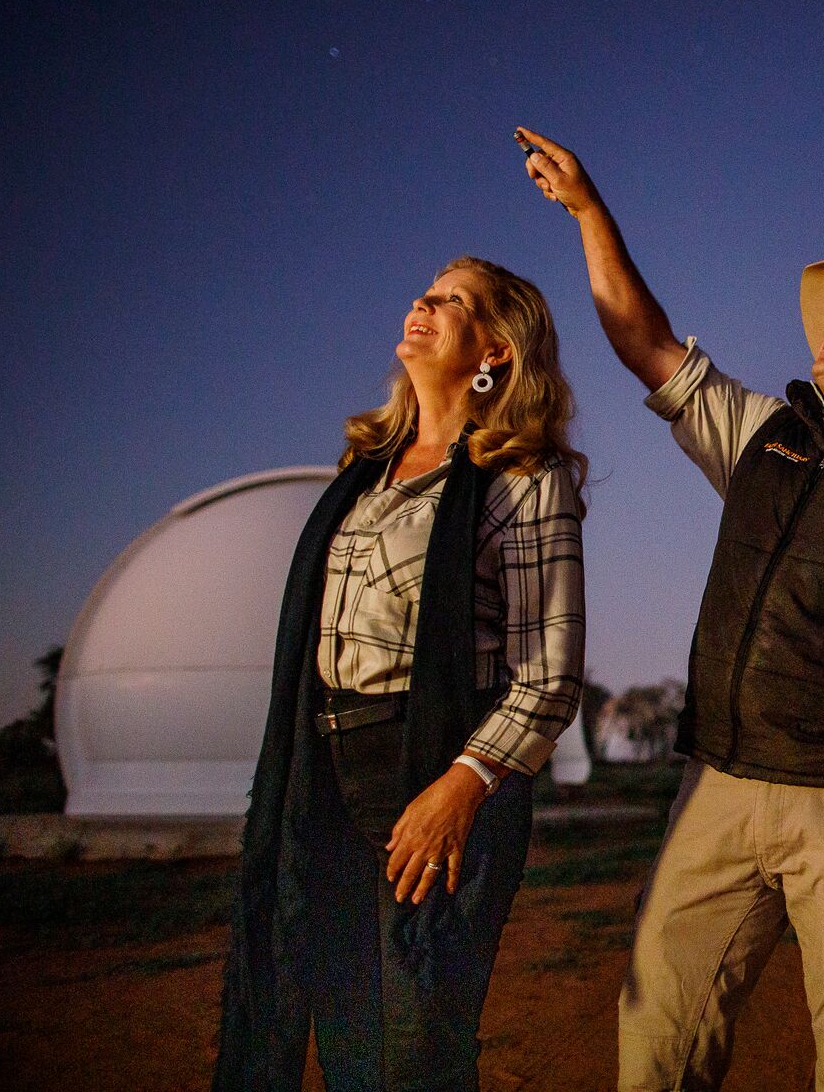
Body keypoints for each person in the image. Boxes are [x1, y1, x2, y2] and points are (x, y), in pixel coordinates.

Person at [516, 127, 824, 1092]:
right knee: (661, 1040)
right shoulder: (761, 437)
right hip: (719, 788)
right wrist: (587, 210)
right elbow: (646, 345)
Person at [215, 257, 587, 1091]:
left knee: (417, 1045)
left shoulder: (523, 479)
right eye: (425, 291)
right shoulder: (362, 472)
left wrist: (460, 788)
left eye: (452, 299)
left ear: (495, 349)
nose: (422, 302)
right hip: (326, 773)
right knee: (348, 1040)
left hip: (441, 773)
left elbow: (550, 674)